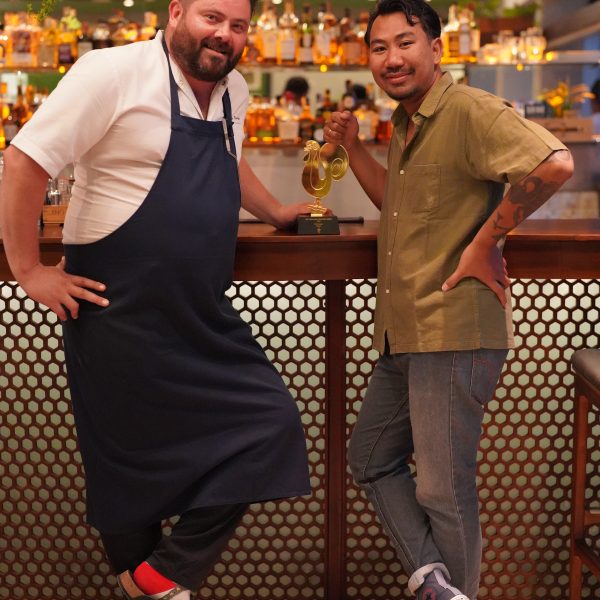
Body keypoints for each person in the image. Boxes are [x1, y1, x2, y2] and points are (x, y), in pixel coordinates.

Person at [0, 1, 313, 599]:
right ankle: (160, 585)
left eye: (238, 26)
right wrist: (28, 270)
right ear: (176, 13)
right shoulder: (110, 72)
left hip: (201, 311)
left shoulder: (234, 91)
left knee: (270, 425)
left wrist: (274, 211)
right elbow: (24, 159)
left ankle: (152, 580)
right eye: (212, 17)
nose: (224, 35)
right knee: (127, 468)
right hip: (116, 307)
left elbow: (229, 160)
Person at [323, 1, 573, 599]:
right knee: (370, 459)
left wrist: (486, 241)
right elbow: (399, 206)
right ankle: (438, 587)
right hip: (406, 329)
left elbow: (555, 163)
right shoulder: (409, 122)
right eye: (379, 47)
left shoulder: (467, 110)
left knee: (442, 488)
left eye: (405, 42)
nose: (392, 58)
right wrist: (354, 149)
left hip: (454, 327)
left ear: (436, 48)